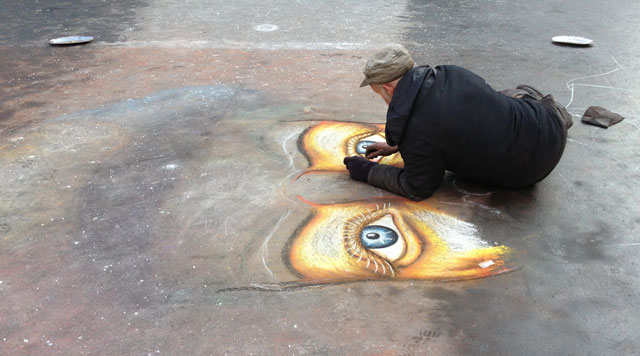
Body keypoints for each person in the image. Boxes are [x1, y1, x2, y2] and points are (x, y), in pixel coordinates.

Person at [343, 44, 573, 201]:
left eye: (378, 94)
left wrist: (365, 171)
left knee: (511, 98)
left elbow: (417, 187)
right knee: (511, 96)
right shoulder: (452, 74)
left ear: (387, 88)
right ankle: (555, 110)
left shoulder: (416, 130)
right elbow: (458, 124)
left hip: (528, 173)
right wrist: (399, 145)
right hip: (548, 127)